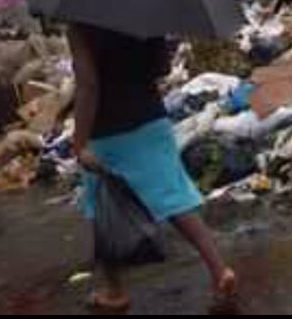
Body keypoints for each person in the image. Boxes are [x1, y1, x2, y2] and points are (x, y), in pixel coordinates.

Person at [69, 23, 236, 312]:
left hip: (108, 131)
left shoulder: (81, 25)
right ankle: (220, 270)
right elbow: (162, 68)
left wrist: (79, 141)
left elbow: (88, 85)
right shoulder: (144, 14)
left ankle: (115, 291)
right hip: (152, 122)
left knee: (105, 205)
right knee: (176, 200)